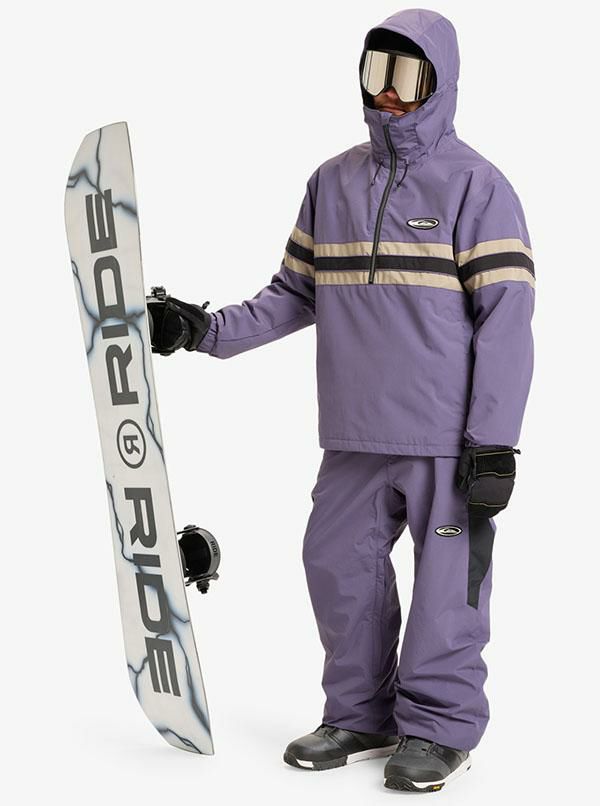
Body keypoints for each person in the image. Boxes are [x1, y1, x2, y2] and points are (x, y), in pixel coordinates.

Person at [147, 7, 535, 794]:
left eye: (407, 77)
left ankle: (439, 730)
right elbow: (293, 294)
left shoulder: (478, 187)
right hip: (354, 431)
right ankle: (360, 715)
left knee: (446, 595)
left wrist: (494, 441)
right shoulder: (331, 183)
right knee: (336, 568)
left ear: (440, 84)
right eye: (375, 73)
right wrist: (202, 330)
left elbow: (508, 322)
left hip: (447, 441)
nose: (388, 93)